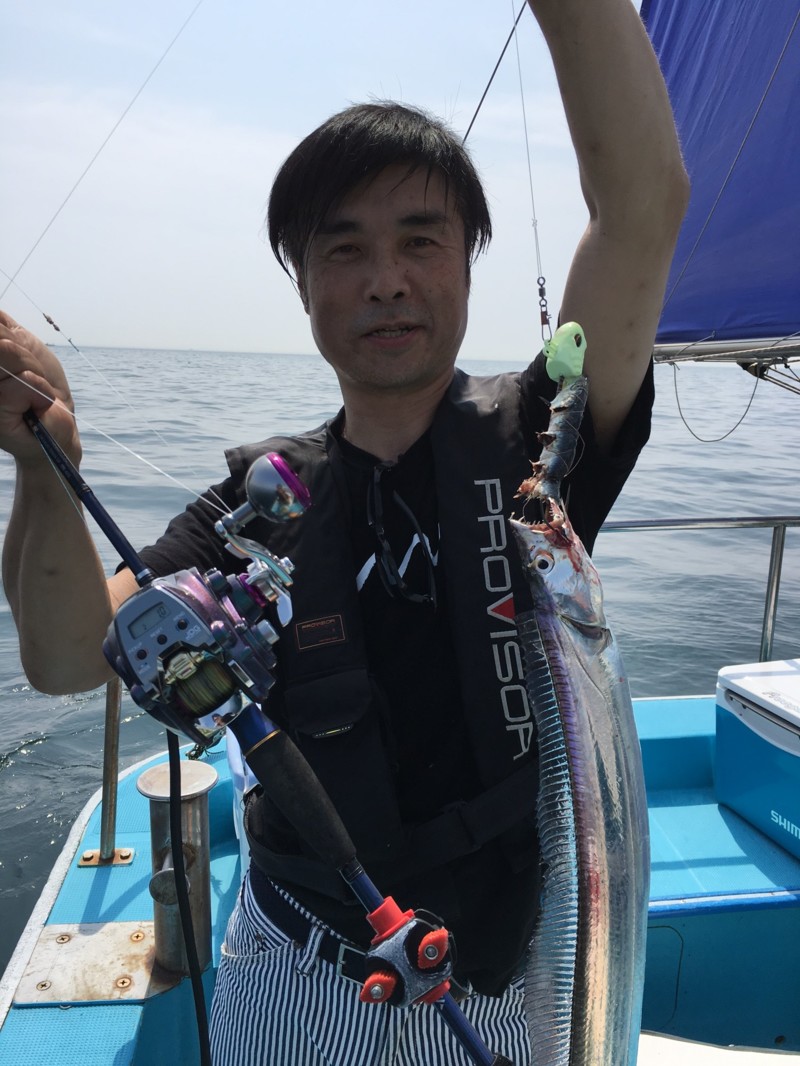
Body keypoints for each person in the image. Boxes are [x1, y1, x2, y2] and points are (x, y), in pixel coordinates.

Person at [0, 1, 689, 1062]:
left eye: (420, 240)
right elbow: (60, 659)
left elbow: (642, 204)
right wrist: (49, 463)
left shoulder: (540, 454)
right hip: (300, 966)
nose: (386, 280)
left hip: (524, 967)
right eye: (345, 249)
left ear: (469, 262)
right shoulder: (255, 505)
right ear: (303, 282)